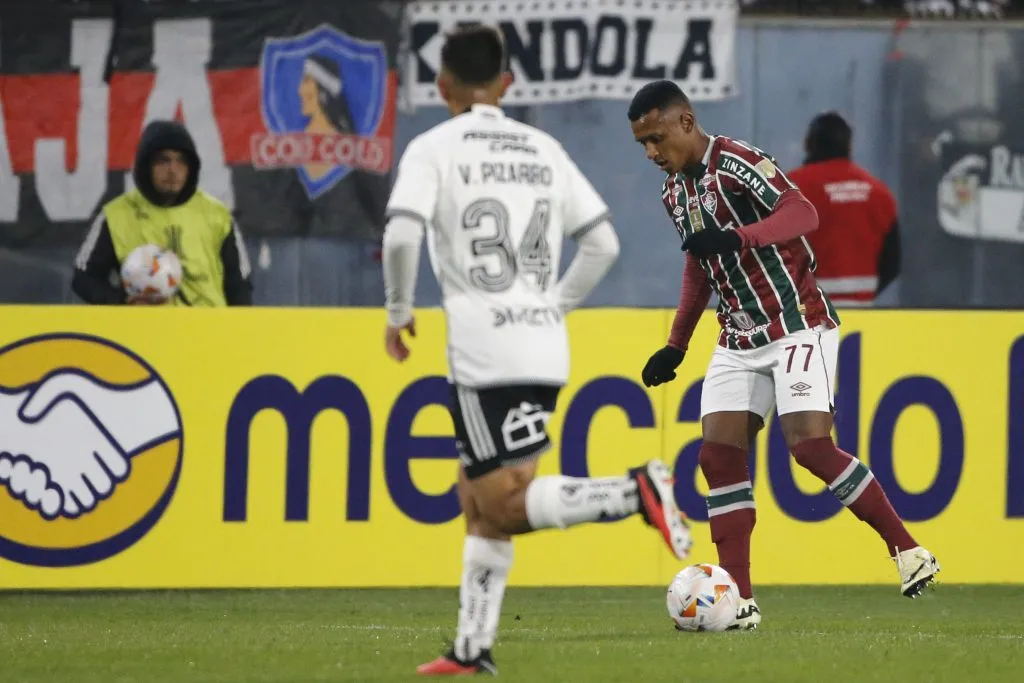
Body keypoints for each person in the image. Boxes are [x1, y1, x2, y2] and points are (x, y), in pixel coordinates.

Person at [382, 26, 692, 677]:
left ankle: (633, 491)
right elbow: (603, 243)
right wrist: (552, 305)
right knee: (479, 499)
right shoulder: (543, 148)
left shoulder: (433, 147)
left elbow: (402, 235)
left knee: (500, 501)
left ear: (441, 85)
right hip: (544, 344)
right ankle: (472, 646)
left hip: (482, 346)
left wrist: (398, 311)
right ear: (506, 84)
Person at [628, 81, 938, 631]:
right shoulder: (674, 192)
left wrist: (739, 238)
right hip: (737, 336)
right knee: (717, 458)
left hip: (796, 324)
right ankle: (739, 601)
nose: (651, 152)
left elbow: (802, 212)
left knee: (811, 448)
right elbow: (700, 264)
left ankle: (909, 551)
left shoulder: (737, 162)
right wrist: (676, 344)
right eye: (642, 144)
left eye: (656, 138)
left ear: (685, 122)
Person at [72, 120, 252, 307]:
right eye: (163, 160)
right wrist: (122, 303)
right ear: (145, 165)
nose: (173, 170)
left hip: (209, 324)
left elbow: (240, 285)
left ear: (191, 168)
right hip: (145, 325)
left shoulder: (218, 215)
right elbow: (83, 278)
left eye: (181, 161)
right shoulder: (115, 215)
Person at [788, 112, 900, 306]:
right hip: (863, 308)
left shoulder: (791, 188)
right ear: (849, 145)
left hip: (806, 308)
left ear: (808, 143)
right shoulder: (879, 193)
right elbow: (892, 262)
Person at [298, 54, 356, 181]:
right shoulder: (302, 138)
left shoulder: (341, 141)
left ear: (323, 92)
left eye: (306, 81)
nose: (300, 89)